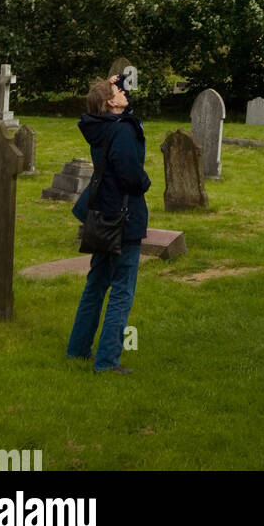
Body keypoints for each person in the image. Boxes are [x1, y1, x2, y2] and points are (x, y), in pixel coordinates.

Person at [66, 73, 151, 374]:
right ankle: (107, 362)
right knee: (122, 290)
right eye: (118, 91)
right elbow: (130, 175)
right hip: (123, 218)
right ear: (108, 102)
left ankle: (77, 350)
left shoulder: (99, 126)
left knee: (96, 283)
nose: (124, 93)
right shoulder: (123, 132)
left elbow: (121, 107)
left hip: (101, 214)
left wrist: (117, 82)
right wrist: (146, 181)